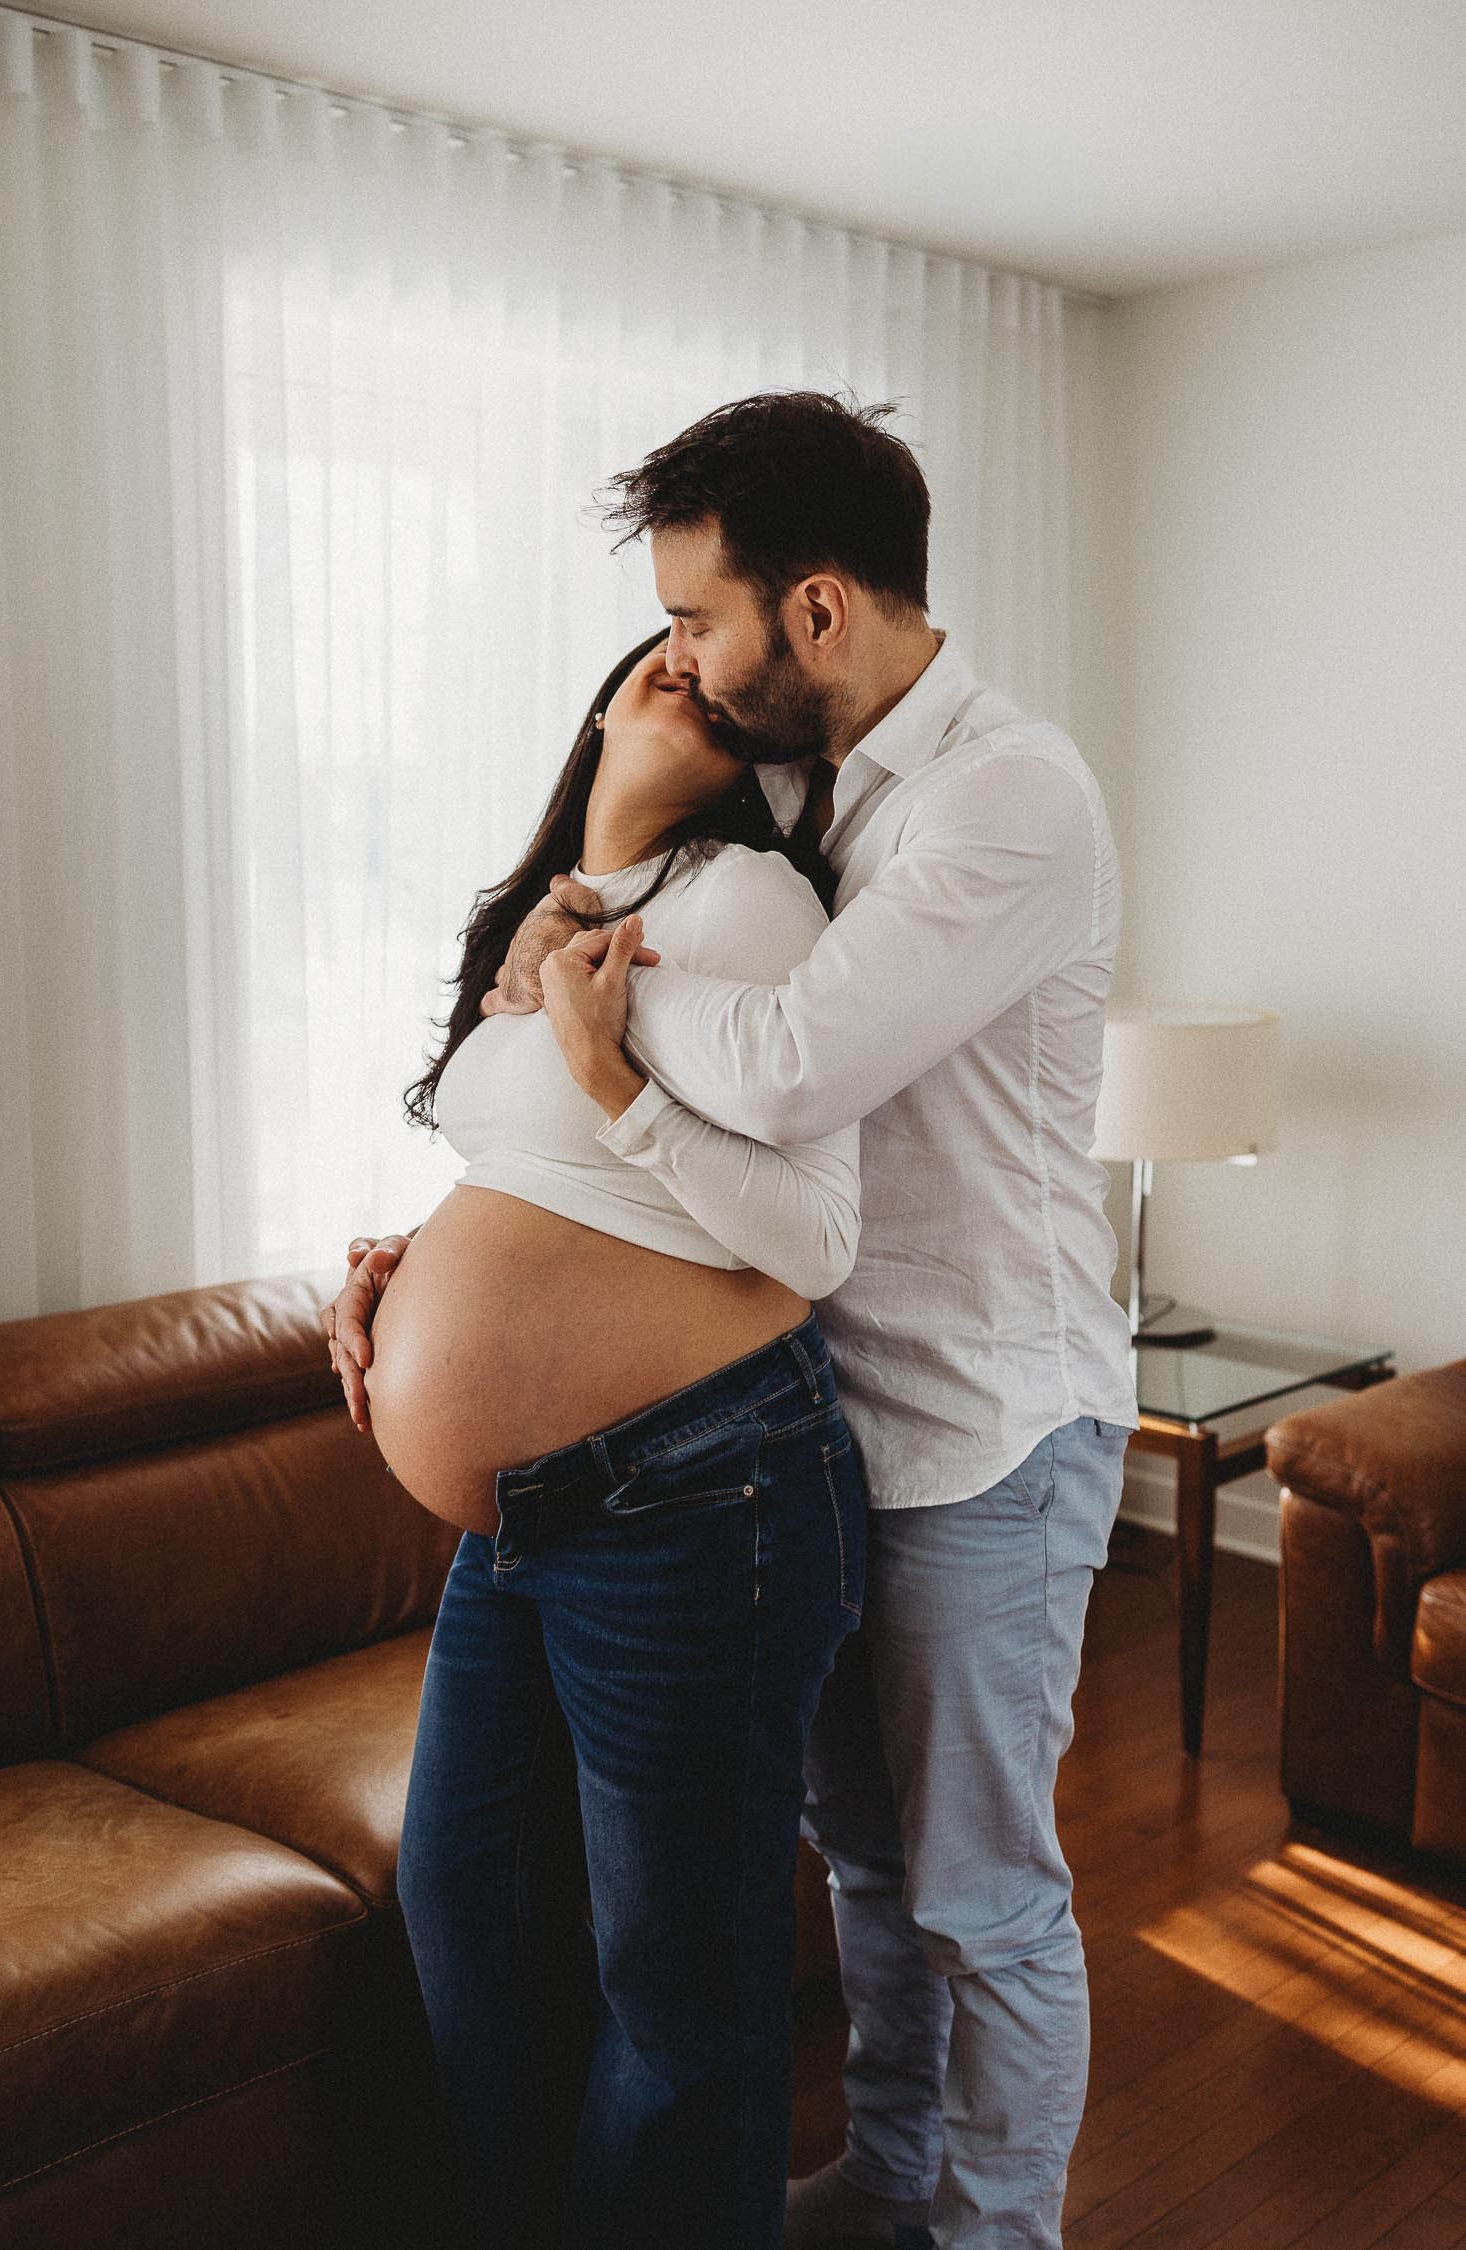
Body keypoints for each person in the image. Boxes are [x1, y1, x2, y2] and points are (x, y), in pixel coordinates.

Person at [337, 389, 1139, 2249]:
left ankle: (993, 2230)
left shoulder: (1010, 792)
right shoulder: (810, 791)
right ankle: (885, 2183)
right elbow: (628, 1146)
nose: (677, 655)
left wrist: (587, 972)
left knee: (981, 1891)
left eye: (698, 618)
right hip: (828, 1416)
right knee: (866, 1866)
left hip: (989, 1422)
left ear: (822, 610)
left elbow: (784, 1064)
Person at [323, 628, 868, 2250]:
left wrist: (601, 1070)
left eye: (720, 649)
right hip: (533, 1520)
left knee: (678, 1992)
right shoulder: (554, 920)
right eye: (666, 644)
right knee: (466, 1902)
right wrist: (404, 1270)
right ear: (605, 694)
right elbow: (558, 1185)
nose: (690, 660)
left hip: (705, 1493)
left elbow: (804, 1231)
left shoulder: (750, 907)